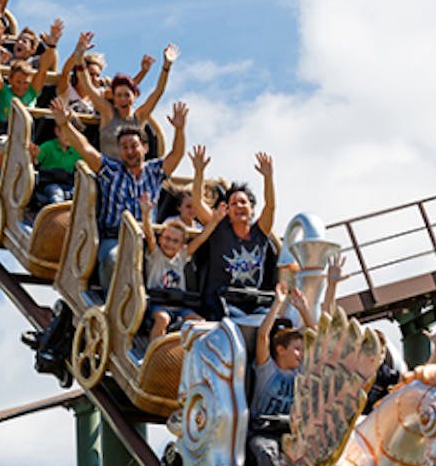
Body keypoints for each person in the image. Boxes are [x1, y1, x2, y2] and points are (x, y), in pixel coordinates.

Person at [53, 100, 189, 290]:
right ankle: (113, 305)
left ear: (145, 148)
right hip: (115, 237)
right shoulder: (111, 170)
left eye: (134, 146)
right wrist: (65, 125)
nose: (129, 151)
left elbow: (176, 155)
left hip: (146, 239)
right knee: (112, 259)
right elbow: (85, 148)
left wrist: (179, 130)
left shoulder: (154, 171)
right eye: (124, 147)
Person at [190, 144, 278, 319]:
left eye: (243, 202)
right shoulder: (220, 229)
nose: (239, 206)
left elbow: (271, 206)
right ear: (227, 211)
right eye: (234, 203)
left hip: (253, 301)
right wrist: (199, 172)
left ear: (252, 209)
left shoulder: (260, 232)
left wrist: (268, 177)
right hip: (223, 302)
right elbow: (198, 204)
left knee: (271, 321)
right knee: (238, 321)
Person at [248, 281, 314, 466]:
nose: (301, 354)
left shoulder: (300, 373)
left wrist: (304, 309)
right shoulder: (267, 368)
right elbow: (262, 336)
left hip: (289, 431)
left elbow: (320, 341)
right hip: (263, 430)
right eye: (296, 349)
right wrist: (278, 303)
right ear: (280, 349)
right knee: (266, 451)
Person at [76, 41, 179, 161]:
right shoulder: (108, 113)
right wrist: (79, 57)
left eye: (126, 95)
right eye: (119, 95)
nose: (123, 99)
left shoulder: (139, 117)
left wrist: (166, 66)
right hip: (110, 173)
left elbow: (158, 92)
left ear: (134, 96)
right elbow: (87, 85)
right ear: (113, 97)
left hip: (133, 172)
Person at [139, 191, 214, 340]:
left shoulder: (182, 256)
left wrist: (215, 221)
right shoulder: (156, 255)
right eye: (167, 239)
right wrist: (146, 214)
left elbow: (200, 239)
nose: (169, 243)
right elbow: (148, 234)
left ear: (181, 246)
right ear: (160, 239)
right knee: (163, 319)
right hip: (158, 304)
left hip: (180, 306)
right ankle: (154, 353)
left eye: (175, 241)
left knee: (200, 323)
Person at [0, 14, 56, 136]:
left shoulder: (31, 92)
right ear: (10, 79)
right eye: (18, 82)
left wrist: (51, 47)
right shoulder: (3, 91)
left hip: (25, 134)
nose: (21, 87)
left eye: (25, 83)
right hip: (4, 133)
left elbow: (43, 69)